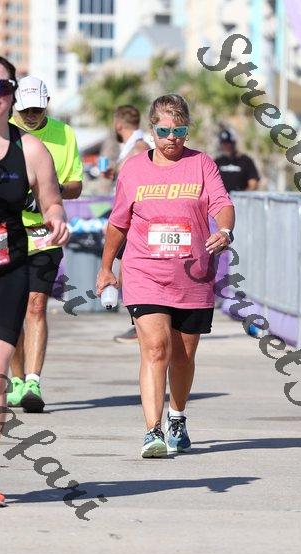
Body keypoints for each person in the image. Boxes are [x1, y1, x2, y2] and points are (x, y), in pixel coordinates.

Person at [96, 94, 235, 458]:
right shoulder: (133, 169)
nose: (172, 138)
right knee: (156, 347)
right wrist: (106, 268)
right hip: (145, 271)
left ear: (188, 130)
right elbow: (118, 223)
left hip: (193, 275)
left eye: (180, 131)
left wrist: (225, 230)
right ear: (152, 129)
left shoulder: (201, 164)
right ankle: (152, 430)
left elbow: (222, 204)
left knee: (183, 356)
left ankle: (177, 416)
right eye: (164, 131)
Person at [0, 55, 68, 506]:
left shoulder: (30, 149)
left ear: (12, 93)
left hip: (4, 272)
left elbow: (51, 200)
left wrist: (56, 218)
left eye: (2, 86)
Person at [6, 76, 83, 412]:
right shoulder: (3, 132)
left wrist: (50, 191)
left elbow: (76, 184)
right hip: (7, 233)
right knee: (11, 310)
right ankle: (17, 380)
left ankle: (34, 382)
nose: (32, 115)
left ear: (47, 103)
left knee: (36, 306)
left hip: (45, 233)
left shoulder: (64, 134)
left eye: (38, 108)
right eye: (26, 110)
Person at [102, 105, 150, 344]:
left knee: (131, 268)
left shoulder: (139, 147)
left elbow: (139, 182)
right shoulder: (134, 146)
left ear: (118, 123)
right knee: (128, 267)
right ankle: (138, 323)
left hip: (135, 218)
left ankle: (139, 325)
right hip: (129, 215)